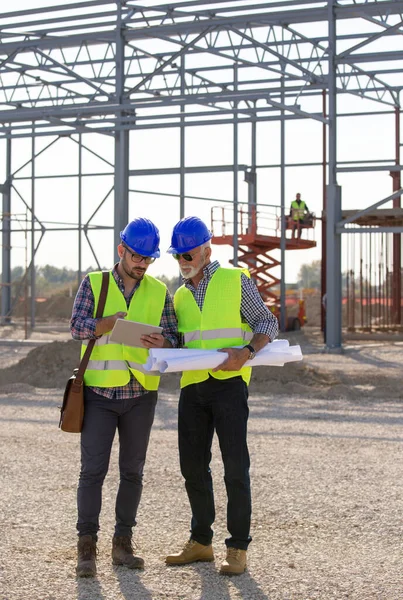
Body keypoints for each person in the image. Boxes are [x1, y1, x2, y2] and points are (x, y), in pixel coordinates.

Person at [164, 216, 278, 575]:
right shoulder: (180, 294)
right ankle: (201, 543)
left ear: (206, 250)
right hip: (192, 387)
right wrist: (163, 343)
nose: (184, 260)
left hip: (229, 386)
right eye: (178, 255)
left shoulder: (235, 279)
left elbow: (267, 323)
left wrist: (246, 352)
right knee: (192, 468)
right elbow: (185, 341)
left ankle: (238, 548)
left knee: (234, 468)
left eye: (189, 252)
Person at [70, 217, 179, 578]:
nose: (142, 264)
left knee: (132, 472)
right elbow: (76, 327)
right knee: (93, 472)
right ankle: (86, 548)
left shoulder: (159, 291)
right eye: (137, 256)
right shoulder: (94, 283)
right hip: (99, 394)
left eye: (148, 259)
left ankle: (122, 544)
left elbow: (175, 337)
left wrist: (164, 342)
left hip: (140, 395)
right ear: (121, 251)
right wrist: (105, 324)